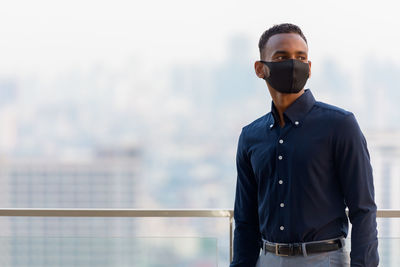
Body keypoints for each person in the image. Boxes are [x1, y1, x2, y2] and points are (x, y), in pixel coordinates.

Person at [229, 23, 379, 267]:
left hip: (324, 260)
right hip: (266, 260)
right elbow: (245, 221)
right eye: (281, 57)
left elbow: (363, 210)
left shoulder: (340, 125)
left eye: (300, 57)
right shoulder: (250, 136)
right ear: (260, 68)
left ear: (309, 68)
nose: (293, 64)